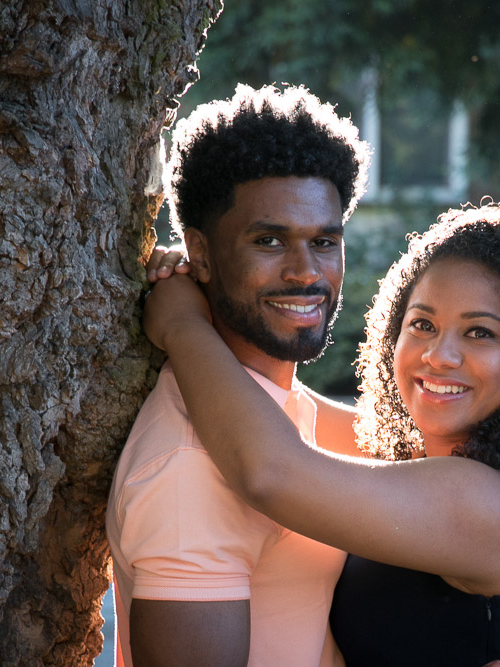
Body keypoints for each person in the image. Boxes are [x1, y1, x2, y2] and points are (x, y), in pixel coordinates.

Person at [143, 202, 500, 666]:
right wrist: (217, 280)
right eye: (421, 324)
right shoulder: (439, 468)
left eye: (479, 332)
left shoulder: (498, 508)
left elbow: (271, 471)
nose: (438, 356)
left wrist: (184, 326)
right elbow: (284, 407)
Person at [105, 83, 370, 667]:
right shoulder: (187, 468)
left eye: (324, 241)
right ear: (198, 252)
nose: (306, 273)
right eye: (269, 241)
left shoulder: (271, 401)